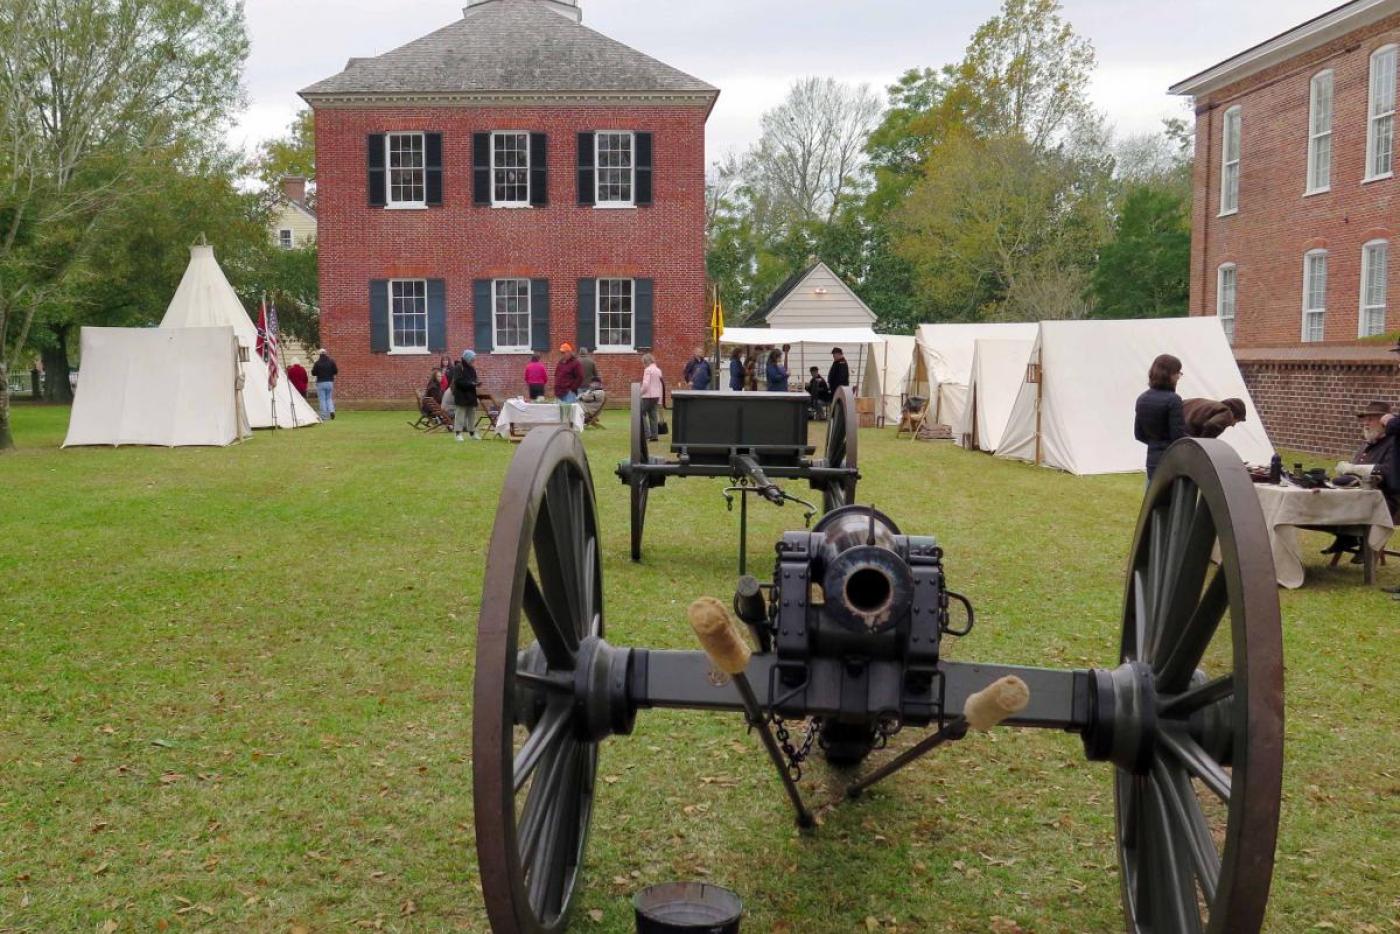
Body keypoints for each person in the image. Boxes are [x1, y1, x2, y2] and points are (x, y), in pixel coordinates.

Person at [1332, 402, 1400, 567]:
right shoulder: (1368, 443)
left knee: (1367, 503)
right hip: (1360, 493)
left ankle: (1366, 544)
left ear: (1384, 422)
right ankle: (1345, 538)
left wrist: (1357, 469)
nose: (1366, 423)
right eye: (1365, 419)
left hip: (1389, 498)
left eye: (1371, 419)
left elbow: (1388, 472)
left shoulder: (1393, 443)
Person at [1133, 353, 1186, 482]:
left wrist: (1155, 443)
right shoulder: (1174, 400)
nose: (1179, 376)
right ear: (1170, 375)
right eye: (1178, 372)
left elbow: (1139, 434)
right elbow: (1177, 436)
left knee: (1153, 497)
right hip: (1170, 461)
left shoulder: (1142, 398)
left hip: (1152, 461)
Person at [451, 349, 481, 441]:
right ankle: (458, 434)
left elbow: (474, 379)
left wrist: (476, 383)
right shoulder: (458, 368)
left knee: (472, 415)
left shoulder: (472, 369)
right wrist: (471, 384)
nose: (473, 361)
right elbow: (458, 381)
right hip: (461, 395)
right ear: (468, 359)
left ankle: (472, 433)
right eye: (472, 359)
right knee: (460, 415)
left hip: (471, 395)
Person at [1182, 397, 1246, 439]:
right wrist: (1203, 445)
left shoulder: (1204, 403)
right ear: (1234, 413)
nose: (1233, 425)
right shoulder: (1227, 412)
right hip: (1184, 434)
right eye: (1236, 421)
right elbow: (1213, 425)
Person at [640, 352, 664, 441]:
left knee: (640, 413)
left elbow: (646, 384)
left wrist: (640, 392)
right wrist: (660, 400)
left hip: (648, 396)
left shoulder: (647, 370)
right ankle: (655, 436)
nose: (643, 365)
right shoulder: (658, 370)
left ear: (646, 362)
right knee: (653, 415)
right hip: (656, 396)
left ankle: (647, 433)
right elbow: (660, 385)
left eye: (643, 363)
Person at [311, 349, 338, 420]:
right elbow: (335, 371)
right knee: (329, 398)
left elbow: (313, 373)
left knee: (322, 399)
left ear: (319, 354)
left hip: (321, 382)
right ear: (326, 354)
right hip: (330, 382)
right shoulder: (331, 362)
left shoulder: (317, 363)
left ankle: (324, 416)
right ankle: (331, 411)